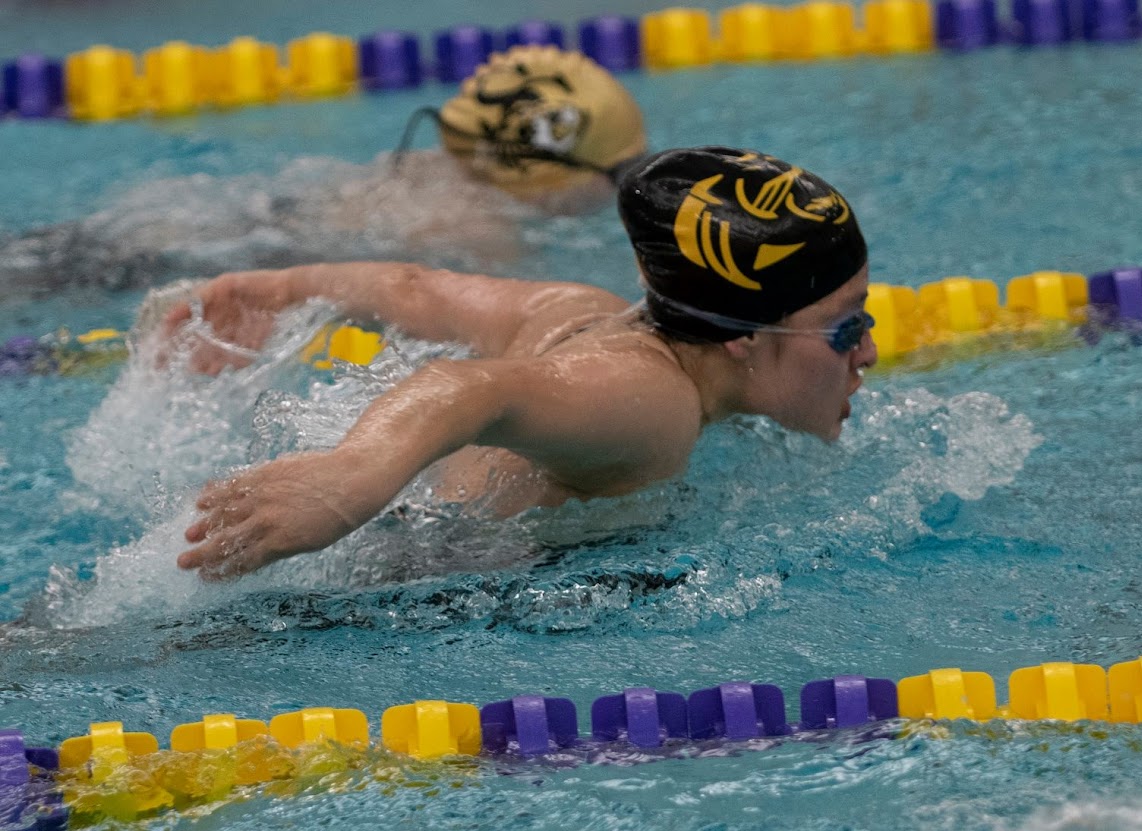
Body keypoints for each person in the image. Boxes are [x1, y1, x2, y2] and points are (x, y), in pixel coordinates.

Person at [167, 146, 879, 581]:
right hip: (380, 582)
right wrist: (350, 477)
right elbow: (465, 387)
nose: (868, 352)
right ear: (742, 337)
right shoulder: (653, 403)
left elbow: (417, 288)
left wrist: (277, 289)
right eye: (847, 326)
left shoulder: (584, 312)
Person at [0, 45, 647, 298]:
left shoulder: (423, 168)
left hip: (191, 216)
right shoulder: (486, 232)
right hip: (183, 259)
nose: (615, 190)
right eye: (616, 173)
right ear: (548, 172)